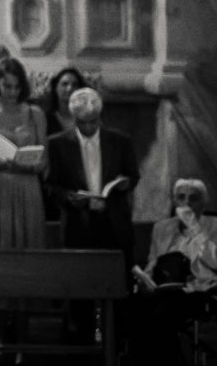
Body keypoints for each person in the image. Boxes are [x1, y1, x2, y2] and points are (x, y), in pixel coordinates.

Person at [46, 87, 138, 339]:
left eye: (93, 122)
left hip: (114, 222)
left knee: (118, 289)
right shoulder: (58, 143)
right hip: (80, 224)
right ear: (74, 119)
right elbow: (52, 186)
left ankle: (115, 343)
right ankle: (87, 341)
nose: (88, 128)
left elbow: (133, 175)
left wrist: (124, 184)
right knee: (82, 292)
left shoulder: (120, 141)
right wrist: (70, 198)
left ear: (100, 116)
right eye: (83, 123)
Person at [128, 179, 217, 365]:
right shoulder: (162, 227)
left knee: (161, 314)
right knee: (133, 310)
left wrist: (195, 228)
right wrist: (146, 279)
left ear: (203, 203)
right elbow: (154, 261)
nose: (187, 203)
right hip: (162, 287)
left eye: (194, 198)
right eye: (181, 197)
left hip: (196, 288)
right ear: (174, 201)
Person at [0, 57, 47, 250]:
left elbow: (43, 160)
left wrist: (26, 164)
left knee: (28, 246)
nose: (12, 92)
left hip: (26, 187)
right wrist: (9, 163)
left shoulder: (35, 113)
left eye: (17, 86)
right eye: (7, 86)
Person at [42, 66, 88, 137]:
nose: (69, 89)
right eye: (64, 84)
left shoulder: (88, 117)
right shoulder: (44, 119)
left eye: (74, 85)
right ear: (55, 88)